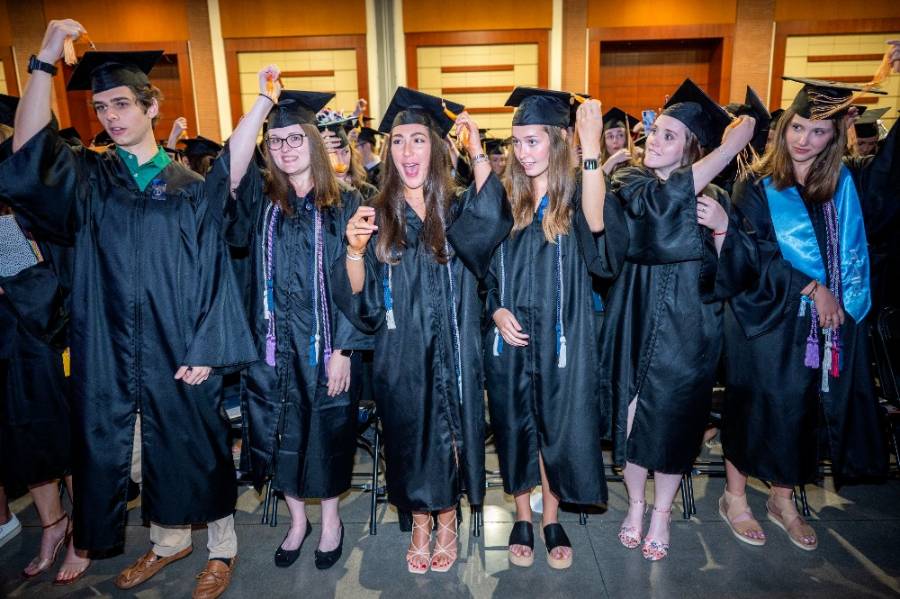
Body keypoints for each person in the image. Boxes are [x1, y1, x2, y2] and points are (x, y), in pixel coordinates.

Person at [1, 20, 257, 598]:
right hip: (109, 347)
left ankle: (221, 547)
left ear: (151, 107)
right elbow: (27, 154)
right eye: (100, 107)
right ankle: (168, 542)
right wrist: (43, 59)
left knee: (199, 448)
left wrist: (211, 352)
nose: (110, 116)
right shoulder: (90, 180)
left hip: (181, 347)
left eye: (121, 103)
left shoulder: (190, 185)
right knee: (131, 453)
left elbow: (218, 274)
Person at [721, 59, 900, 552]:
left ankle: (783, 500)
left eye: (817, 130)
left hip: (815, 326)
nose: (803, 139)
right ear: (783, 128)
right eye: (797, 127)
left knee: (799, 408)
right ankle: (735, 498)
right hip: (761, 316)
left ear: (834, 135)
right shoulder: (756, 183)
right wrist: (813, 286)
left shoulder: (842, 185)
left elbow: (890, 177)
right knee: (752, 404)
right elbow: (751, 254)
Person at [333, 87, 512, 574]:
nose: (407, 152)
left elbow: (495, 220)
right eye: (398, 142)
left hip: (455, 347)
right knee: (408, 434)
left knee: (452, 431)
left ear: (435, 147)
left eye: (418, 140)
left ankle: (448, 518)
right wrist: (352, 249)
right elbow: (361, 300)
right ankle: (418, 521)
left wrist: (477, 149)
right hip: (400, 350)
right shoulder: (377, 211)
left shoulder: (455, 208)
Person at [602, 78, 756, 561]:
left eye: (670, 135)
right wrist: (730, 147)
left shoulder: (717, 199)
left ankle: (662, 513)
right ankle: (635, 506)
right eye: (655, 132)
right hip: (635, 313)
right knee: (630, 413)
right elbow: (661, 209)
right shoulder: (631, 181)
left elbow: (736, 274)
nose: (654, 141)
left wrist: (723, 230)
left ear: (690, 148)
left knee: (674, 419)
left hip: (691, 325)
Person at [222, 68, 368, 571]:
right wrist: (263, 103)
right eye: (276, 140)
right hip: (271, 345)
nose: (285, 149)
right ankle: (297, 521)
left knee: (325, 434)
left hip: (327, 346)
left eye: (295, 138)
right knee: (278, 430)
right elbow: (229, 173)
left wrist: (345, 349)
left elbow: (363, 282)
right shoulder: (260, 205)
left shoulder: (349, 202)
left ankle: (329, 520)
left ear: (314, 141)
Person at [482, 88, 624, 570]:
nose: (522, 153)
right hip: (511, 336)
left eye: (533, 141)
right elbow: (478, 268)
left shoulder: (575, 198)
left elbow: (601, 236)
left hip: (564, 337)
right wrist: (495, 309)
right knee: (514, 424)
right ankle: (522, 514)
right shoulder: (505, 201)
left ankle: (551, 515)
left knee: (556, 425)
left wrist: (590, 153)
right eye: (516, 142)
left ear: (557, 141)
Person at [319, 114, 379, 202]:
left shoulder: (368, 192)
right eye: (333, 154)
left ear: (351, 152)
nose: (341, 161)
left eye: (345, 152)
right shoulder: (317, 195)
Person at [600, 107, 638, 176]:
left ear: (627, 139)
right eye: (610, 136)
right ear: (604, 142)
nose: (615, 141)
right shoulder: (595, 166)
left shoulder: (638, 166)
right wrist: (612, 160)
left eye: (620, 135)